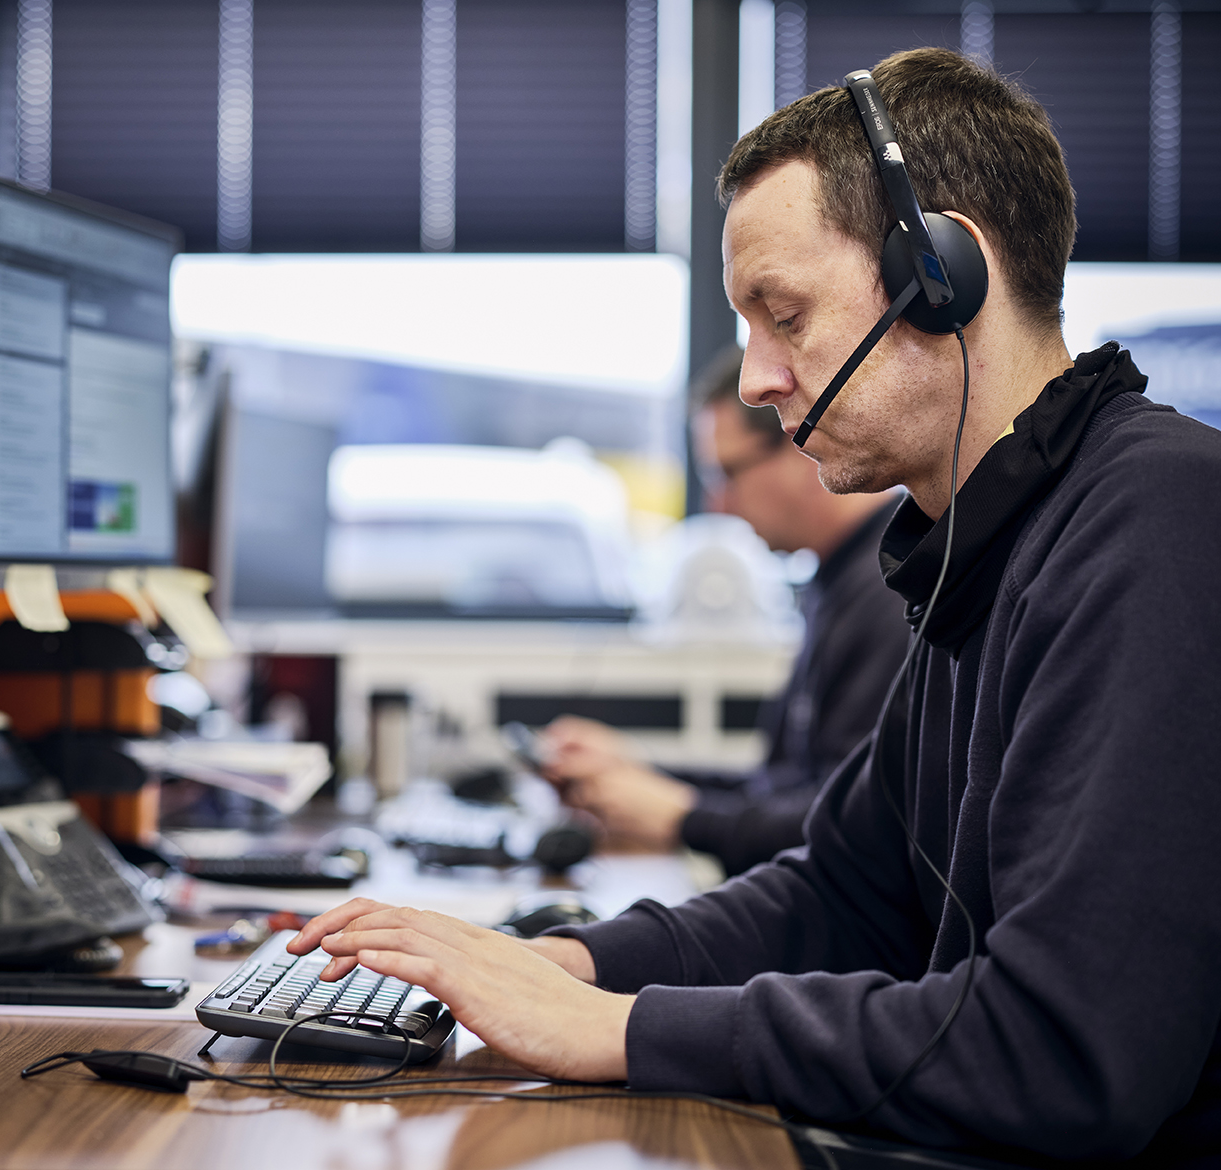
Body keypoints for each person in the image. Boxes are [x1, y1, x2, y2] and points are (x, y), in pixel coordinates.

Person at [289, 47, 1221, 1162]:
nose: (754, 380)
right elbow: (844, 893)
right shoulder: (983, 539)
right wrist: (565, 963)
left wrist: (618, 1030)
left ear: (944, 274)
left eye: (782, 315)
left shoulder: (1158, 520)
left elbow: (1061, 1050)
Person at [542, 345, 909, 874]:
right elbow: (782, 789)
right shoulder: (839, 579)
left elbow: (854, 823)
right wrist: (640, 774)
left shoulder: (892, 593)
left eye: (726, 475)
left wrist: (684, 818)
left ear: (800, 444)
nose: (717, 506)